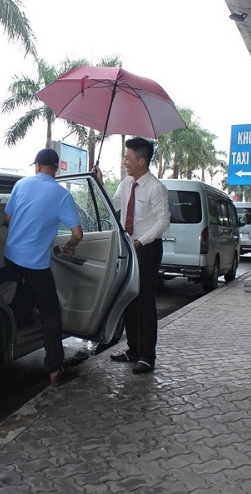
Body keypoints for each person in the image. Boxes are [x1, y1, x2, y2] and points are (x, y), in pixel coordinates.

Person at [2, 148, 83, 384]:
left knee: (26, 292)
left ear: (37, 165)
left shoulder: (21, 185)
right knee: (51, 313)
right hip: (35, 264)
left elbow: (7, 218)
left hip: (11, 256)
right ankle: (55, 368)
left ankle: (16, 324)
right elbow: (78, 233)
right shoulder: (62, 196)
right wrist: (70, 244)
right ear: (56, 169)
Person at [96, 137, 170, 374]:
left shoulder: (155, 188)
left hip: (147, 248)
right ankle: (133, 349)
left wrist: (142, 240)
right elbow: (111, 206)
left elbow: (163, 221)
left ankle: (147, 356)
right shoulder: (126, 184)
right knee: (128, 298)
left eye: (128, 157)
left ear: (141, 160)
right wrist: (98, 184)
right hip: (129, 246)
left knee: (145, 301)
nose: (124, 161)